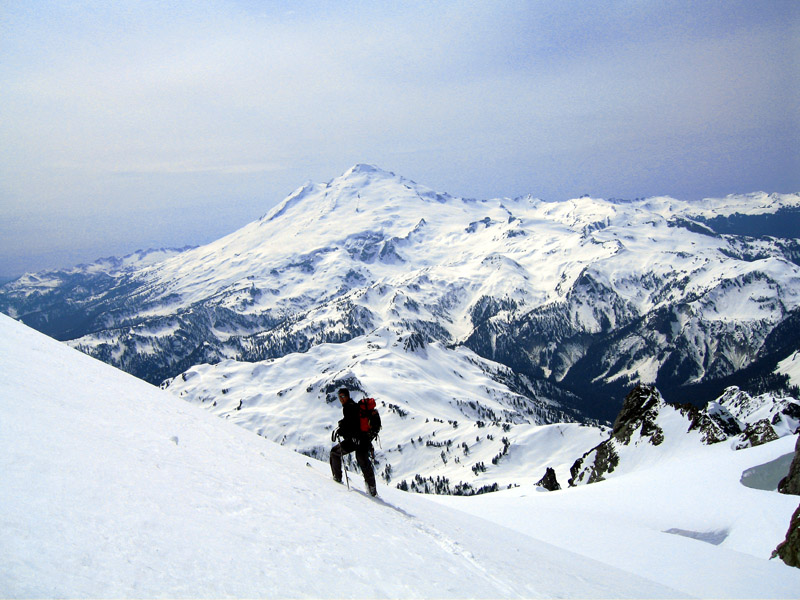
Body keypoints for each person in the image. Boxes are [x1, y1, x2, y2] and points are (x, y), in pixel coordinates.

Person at [330, 388, 378, 496]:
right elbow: (352, 421)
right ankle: (372, 489)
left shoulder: (349, 407)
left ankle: (337, 478)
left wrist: (341, 430)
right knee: (363, 462)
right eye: (340, 397)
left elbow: (352, 424)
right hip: (363, 440)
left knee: (335, 453)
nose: (341, 399)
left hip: (356, 440)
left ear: (348, 396)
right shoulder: (353, 406)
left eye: (343, 396)